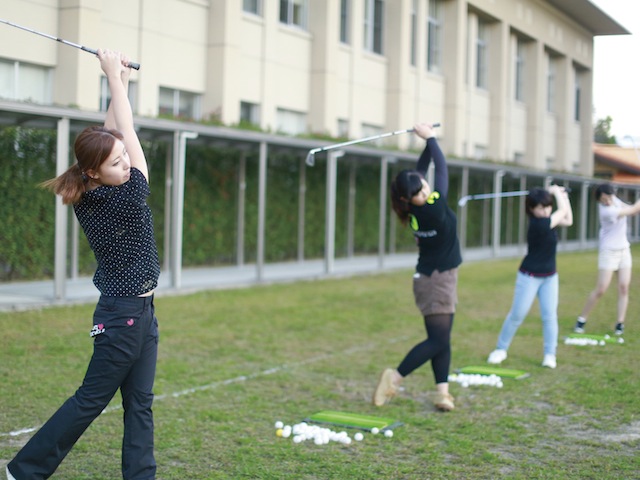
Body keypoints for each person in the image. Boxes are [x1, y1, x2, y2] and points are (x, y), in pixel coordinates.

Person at [7, 49, 160, 480]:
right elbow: (125, 131)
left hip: (142, 313)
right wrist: (113, 77)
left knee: (140, 403)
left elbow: (112, 133)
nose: (127, 162)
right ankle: (26, 470)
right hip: (123, 317)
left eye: (124, 158)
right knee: (91, 400)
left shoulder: (94, 183)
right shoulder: (126, 195)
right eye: (117, 162)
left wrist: (121, 83)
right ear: (94, 173)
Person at [372, 122, 461, 412]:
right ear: (408, 199)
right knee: (437, 340)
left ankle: (442, 393)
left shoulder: (412, 211)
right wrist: (433, 138)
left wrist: (423, 142)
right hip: (437, 281)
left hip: (431, 278)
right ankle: (394, 378)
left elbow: (420, 174)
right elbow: (442, 171)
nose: (424, 191)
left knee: (441, 338)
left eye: (423, 188)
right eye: (419, 193)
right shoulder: (433, 207)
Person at [487, 185, 572, 369]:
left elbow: (568, 219)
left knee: (550, 316)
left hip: (550, 277)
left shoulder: (549, 219)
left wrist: (562, 196)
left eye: (547, 206)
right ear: (531, 209)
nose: (545, 210)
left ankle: (550, 354)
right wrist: (557, 193)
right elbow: (562, 212)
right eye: (540, 207)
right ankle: (501, 349)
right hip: (529, 276)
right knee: (517, 314)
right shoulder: (538, 223)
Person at [574, 183, 640, 336]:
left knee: (624, 287)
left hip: (624, 249)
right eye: (604, 199)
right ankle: (581, 319)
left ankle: (619, 324)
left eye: (609, 197)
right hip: (608, 252)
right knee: (601, 289)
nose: (608, 201)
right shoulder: (607, 211)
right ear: (599, 200)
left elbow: (633, 210)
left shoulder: (614, 200)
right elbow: (635, 209)